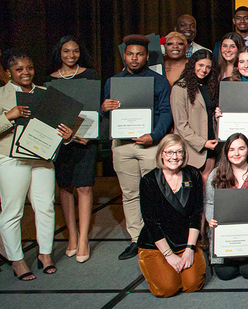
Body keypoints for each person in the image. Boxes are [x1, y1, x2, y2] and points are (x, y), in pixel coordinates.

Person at [0, 50, 73, 280]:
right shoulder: (1, 95)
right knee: (13, 211)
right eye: (19, 69)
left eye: (29, 68)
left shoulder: (45, 93)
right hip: (12, 158)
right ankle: (18, 260)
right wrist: (8, 116)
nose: (25, 73)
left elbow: (59, 128)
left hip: (42, 157)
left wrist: (67, 134)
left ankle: (45, 254)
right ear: (8, 72)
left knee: (46, 206)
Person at [103, 34, 174, 260]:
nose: (134, 58)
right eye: (130, 54)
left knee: (155, 193)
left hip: (149, 145)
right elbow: (108, 116)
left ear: (146, 57)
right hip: (122, 146)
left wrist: (154, 136)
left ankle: (158, 238)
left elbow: (166, 113)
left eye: (139, 55)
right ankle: (137, 240)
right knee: (130, 194)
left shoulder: (159, 81)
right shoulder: (113, 81)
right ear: (124, 56)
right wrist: (104, 107)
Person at [42, 36, 100, 263]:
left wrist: (85, 135)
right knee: (65, 187)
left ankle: (84, 238)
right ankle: (72, 237)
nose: (71, 55)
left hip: (86, 139)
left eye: (75, 51)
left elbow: (96, 109)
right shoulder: (49, 80)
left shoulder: (91, 75)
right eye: (66, 51)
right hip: (61, 142)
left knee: (84, 187)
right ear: (59, 53)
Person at [137, 135, 206, 297]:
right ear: (161, 154)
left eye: (179, 152)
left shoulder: (193, 175)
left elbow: (196, 215)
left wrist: (190, 249)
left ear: (184, 154)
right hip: (158, 244)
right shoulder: (148, 181)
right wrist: (168, 255)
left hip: (185, 241)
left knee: (192, 285)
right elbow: (151, 223)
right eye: (169, 152)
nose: (174, 157)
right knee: (167, 289)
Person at [205, 133, 248, 281]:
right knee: (225, 274)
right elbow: (209, 203)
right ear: (226, 152)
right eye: (232, 149)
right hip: (225, 238)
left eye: (241, 148)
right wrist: (210, 218)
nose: (236, 153)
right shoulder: (216, 174)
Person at [169, 50, 220, 177]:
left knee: (208, 189)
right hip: (192, 148)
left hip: (211, 144)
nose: (204, 69)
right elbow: (181, 125)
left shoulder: (211, 86)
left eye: (208, 67)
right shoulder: (180, 88)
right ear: (193, 65)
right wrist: (202, 143)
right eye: (201, 65)